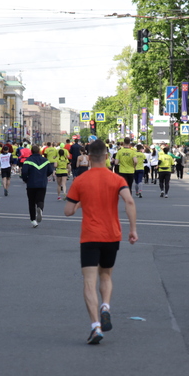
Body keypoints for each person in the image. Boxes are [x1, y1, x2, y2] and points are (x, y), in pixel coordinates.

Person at [64, 139, 137, 345]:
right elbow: (129, 201)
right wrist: (132, 230)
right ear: (106, 156)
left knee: (89, 281)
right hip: (112, 235)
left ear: (87, 157)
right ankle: (106, 306)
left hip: (89, 236)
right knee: (106, 275)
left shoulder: (80, 180)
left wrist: (80, 203)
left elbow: (68, 211)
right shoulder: (117, 179)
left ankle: (95, 326)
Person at [21, 145, 53, 228]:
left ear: (31, 152)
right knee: (40, 199)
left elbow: (24, 172)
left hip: (31, 184)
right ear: (39, 151)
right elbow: (50, 171)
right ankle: (40, 208)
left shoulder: (28, 161)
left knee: (31, 202)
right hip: (42, 183)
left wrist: (26, 180)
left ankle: (33, 220)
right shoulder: (45, 160)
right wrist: (44, 176)